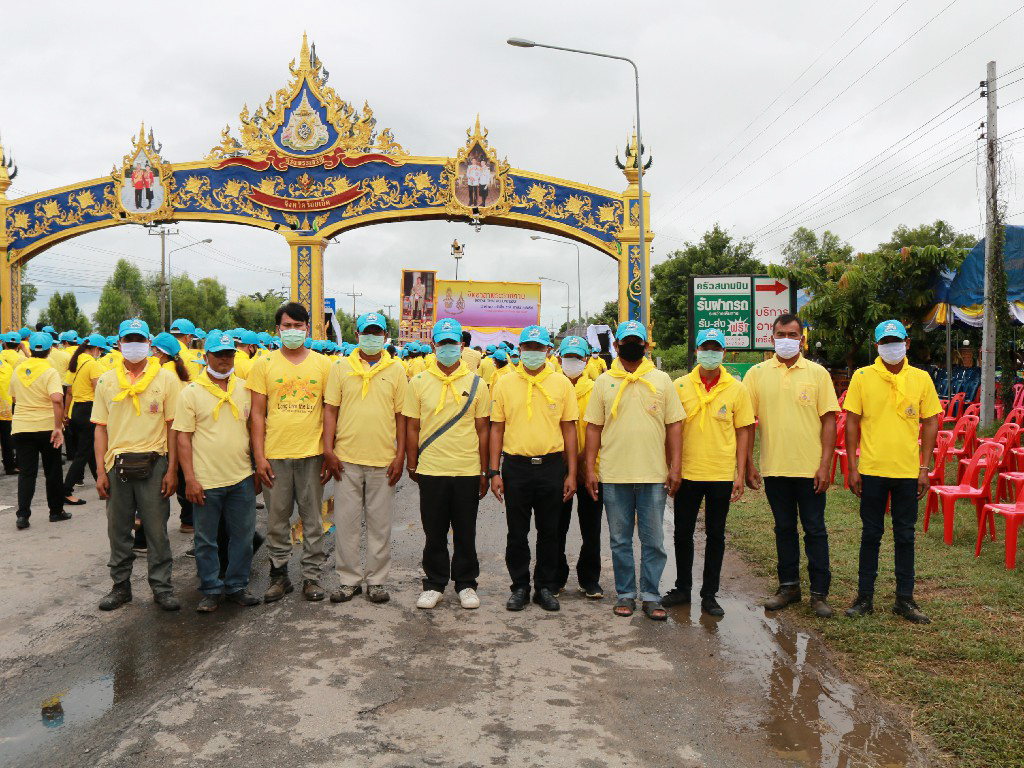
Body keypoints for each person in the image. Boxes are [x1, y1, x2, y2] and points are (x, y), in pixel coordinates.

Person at [843, 320, 941, 624]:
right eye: (885, 342)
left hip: (907, 472)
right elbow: (851, 422)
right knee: (871, 534)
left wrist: (924, 468)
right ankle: (864, 597)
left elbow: (931, 422)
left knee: (905, 536)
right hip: (871, 470)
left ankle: (905, 599)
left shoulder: (921, 378)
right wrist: (852, 466)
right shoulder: (862, 377)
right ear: (876, 346)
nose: (891, 347)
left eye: (896, 341)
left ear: (907, 343)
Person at [583, 322, 682, 620]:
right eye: (626, 341)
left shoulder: (662, 380)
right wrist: (590, 468)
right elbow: (593, 428)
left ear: (646, 346)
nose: (631, 346)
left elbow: (674, 425)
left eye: (637, 342)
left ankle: (651, 595)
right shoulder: (603, 382)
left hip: (653, 474)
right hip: (614, 475)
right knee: (620, 541)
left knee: (654, 541)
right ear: (616, 346)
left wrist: (675, 467)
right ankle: (625, 593)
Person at [744, 314, 840, 618]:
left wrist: (825, 465)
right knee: (784, 529)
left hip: (811, 469)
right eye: (781, 334)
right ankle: (788, 587)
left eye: (793, 335)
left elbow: (829, 421)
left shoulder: (818, 374)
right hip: (774, 467)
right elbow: (746, 422)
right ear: (771, 338)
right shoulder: (756, 374)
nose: (787, 339)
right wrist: (748, 463)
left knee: (815, 530)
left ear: (802, 339)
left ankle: (819, 594)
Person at [247, 303, 333, 603]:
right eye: (287, 326)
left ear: (307, 329)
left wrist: (329, 452)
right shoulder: (264, 365)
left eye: (298, 326)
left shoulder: (324, 365)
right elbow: (257, 415)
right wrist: (259, 457)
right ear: (278, 329)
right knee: (276, 520)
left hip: (312, 455)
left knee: (312, 520)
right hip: (275, 456)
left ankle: (311, 577)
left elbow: (330, 411)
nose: (293, 331)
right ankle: (279, 576)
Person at [93, 319, 181, 611]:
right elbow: (100, 428)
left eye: (139, 340)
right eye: (128, 339)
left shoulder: (166, 379)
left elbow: (172, 427)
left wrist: (172, 469)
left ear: (149, 344)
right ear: (119, 343)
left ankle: (162, 587)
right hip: (116, 464)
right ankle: (120, 586)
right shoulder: (106, 381)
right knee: (118, 531)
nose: (134, 345)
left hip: (154, 463)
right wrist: (100, 470)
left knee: (156, 531)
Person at [665, 328, 754, 617]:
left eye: (716, 349)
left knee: (716, 535)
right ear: (697, 351)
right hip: (687, 473)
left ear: (724, 352)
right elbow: (671, 430)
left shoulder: (737, 389)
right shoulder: (679, 386)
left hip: (720, 473)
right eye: (706, 348)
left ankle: (709, 594)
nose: (710, 353)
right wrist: (672, 467)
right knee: (683, 533)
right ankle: (682, 588)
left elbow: (743, 432)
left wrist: (740, 473)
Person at [489, 325, 578, 612]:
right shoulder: (504, 383)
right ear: (520, 350)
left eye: (539, 348)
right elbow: (496, 429)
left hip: (551, 467)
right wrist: (494, 471)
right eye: (528, 347)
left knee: (550, 532)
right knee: (517, 532)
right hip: (516, 467)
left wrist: (572, 473)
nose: (533, 352)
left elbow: (569, 429)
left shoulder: (562, 383)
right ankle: (520, 587)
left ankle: (545, 588)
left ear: (548, 351)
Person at [403, 319, 489, 609]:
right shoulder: (418, 382)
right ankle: (434, 584)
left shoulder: (477, 383)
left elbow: (483, 429)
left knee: (466, 531)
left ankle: (466, 584)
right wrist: (412, 463)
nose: (448, 348)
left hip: (466, 468)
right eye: (443, 343)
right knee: (434, 532)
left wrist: (484, 470)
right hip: (431, 468)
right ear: (433, 345)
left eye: (453, 343)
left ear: (461, 346)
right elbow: (412, 426)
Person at [324, 312, 407, 604]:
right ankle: (348, 581)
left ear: (385, 336)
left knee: (379, 525)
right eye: (367, 332)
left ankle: (376, 581)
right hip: (346, 459)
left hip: (383, 459)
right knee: (346, 523)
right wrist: (328, 450)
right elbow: (331, 410)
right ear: (357, 335)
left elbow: (402, 416)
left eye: (377, 332)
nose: (372, 337)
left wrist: (400, 455)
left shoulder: (397, 369)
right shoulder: (340, 367)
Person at [174, 330, 260, 613]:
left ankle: (236, 586)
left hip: (241, 477)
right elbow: (183, 438)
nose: (224, 359)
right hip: (206, 480)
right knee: (205, 540)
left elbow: (254, 429)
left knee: (243, 537)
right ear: (206, 356)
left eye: (229, 354)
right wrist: (189, 479)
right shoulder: (191, 393)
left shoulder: (245, 389)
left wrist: (257, 467)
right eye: (219, 354)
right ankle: (211, 589)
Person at [557, 336, 607, 600]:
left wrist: (585, 464)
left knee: (591, 527)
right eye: (568, 357)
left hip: (591, 469)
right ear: (559, 359)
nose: (572, 362)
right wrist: (568, 464)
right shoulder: (553, 387)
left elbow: (600, 429)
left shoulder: (597, 389)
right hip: (560, 469)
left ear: (586, 360)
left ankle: (589, 579)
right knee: (556, 526)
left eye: (577, 357)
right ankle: (556, 576)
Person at [11, 332, 69, 529]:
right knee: (52, 470)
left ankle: (23, 515)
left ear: (29, 348)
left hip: (22, 426)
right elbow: (57, 399)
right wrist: (58, 427)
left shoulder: (18, 370)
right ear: (49, 349)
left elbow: (14, 398)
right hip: (46, 427)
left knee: (27, 473)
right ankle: (56, 511)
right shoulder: (50, 371)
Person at [62, 335, 107, 506]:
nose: (100, 353)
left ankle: (104, 487)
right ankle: (66, 490)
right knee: (83, 453)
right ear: (96, 349)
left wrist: (65, 414)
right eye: (100, 350)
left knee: (89, 451)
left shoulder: (75, 363)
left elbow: (69, 393)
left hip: (76, 410)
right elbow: (98, 390)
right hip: (89, 410)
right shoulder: (92, 364)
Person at [0, 356, 14, 475]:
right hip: (5, 409)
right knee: (6, 439)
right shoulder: (7, 367)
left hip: (5, 409)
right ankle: (9, 466)